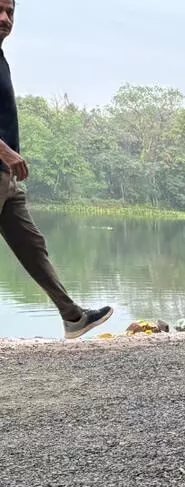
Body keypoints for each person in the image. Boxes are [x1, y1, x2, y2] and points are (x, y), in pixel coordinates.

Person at [0, 0, 113, 338]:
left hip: (6, 179)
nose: (5, 19)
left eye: (10, 12)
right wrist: (5, 152)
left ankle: (73, 316)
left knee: (32, 246)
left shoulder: (1, 60)